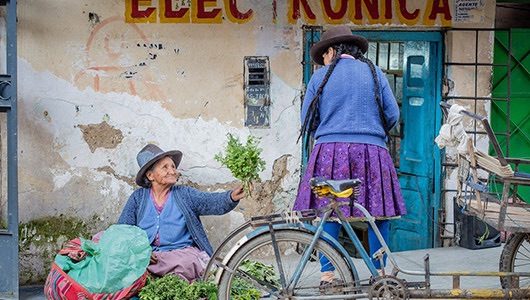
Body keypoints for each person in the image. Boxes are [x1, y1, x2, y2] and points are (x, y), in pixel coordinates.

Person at [293, 26, 407, 285]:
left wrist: (331, 129)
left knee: (328, 212)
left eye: (324, 54)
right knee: (378, 213)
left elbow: (307, 122)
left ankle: (328, 275)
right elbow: (392, 115)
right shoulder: (375, 73)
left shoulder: (320, 77)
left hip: (329, 152)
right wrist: (370, 131)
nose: (323, 60)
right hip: (372, 152)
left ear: (332, 51)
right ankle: (380, 274)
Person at [117, 143, 246, 282]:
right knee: (116, 252)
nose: (172, 171)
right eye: (165, 167)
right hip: (148, 256)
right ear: (150, 175)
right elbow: (123, 230)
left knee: (187, 263)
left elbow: (210, 202)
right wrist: (141, 251)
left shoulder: (185, 194)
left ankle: (156, 278)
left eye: (173, 167)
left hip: (180, 255)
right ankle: (153, 276)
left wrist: (231, 197)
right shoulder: (138, 198)